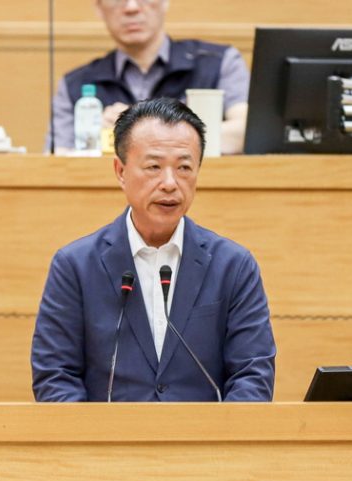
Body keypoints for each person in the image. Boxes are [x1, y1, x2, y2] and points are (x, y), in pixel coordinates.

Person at [32, 97, 275, 402]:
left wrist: (218, 433)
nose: (170, 183)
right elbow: (55, 376)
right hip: (109, 433)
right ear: (121, 171)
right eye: (153, 167)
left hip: (205, 433)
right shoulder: (75, 266)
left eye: (184, 167)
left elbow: (253, 374)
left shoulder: (233, 265)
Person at [47, 0, 250, 155]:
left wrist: (133, 130)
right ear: (99, 8)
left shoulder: (218, 63)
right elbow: (57, 158)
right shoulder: (75, 83)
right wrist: (94, 138)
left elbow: (245, 133)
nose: (131, 7)